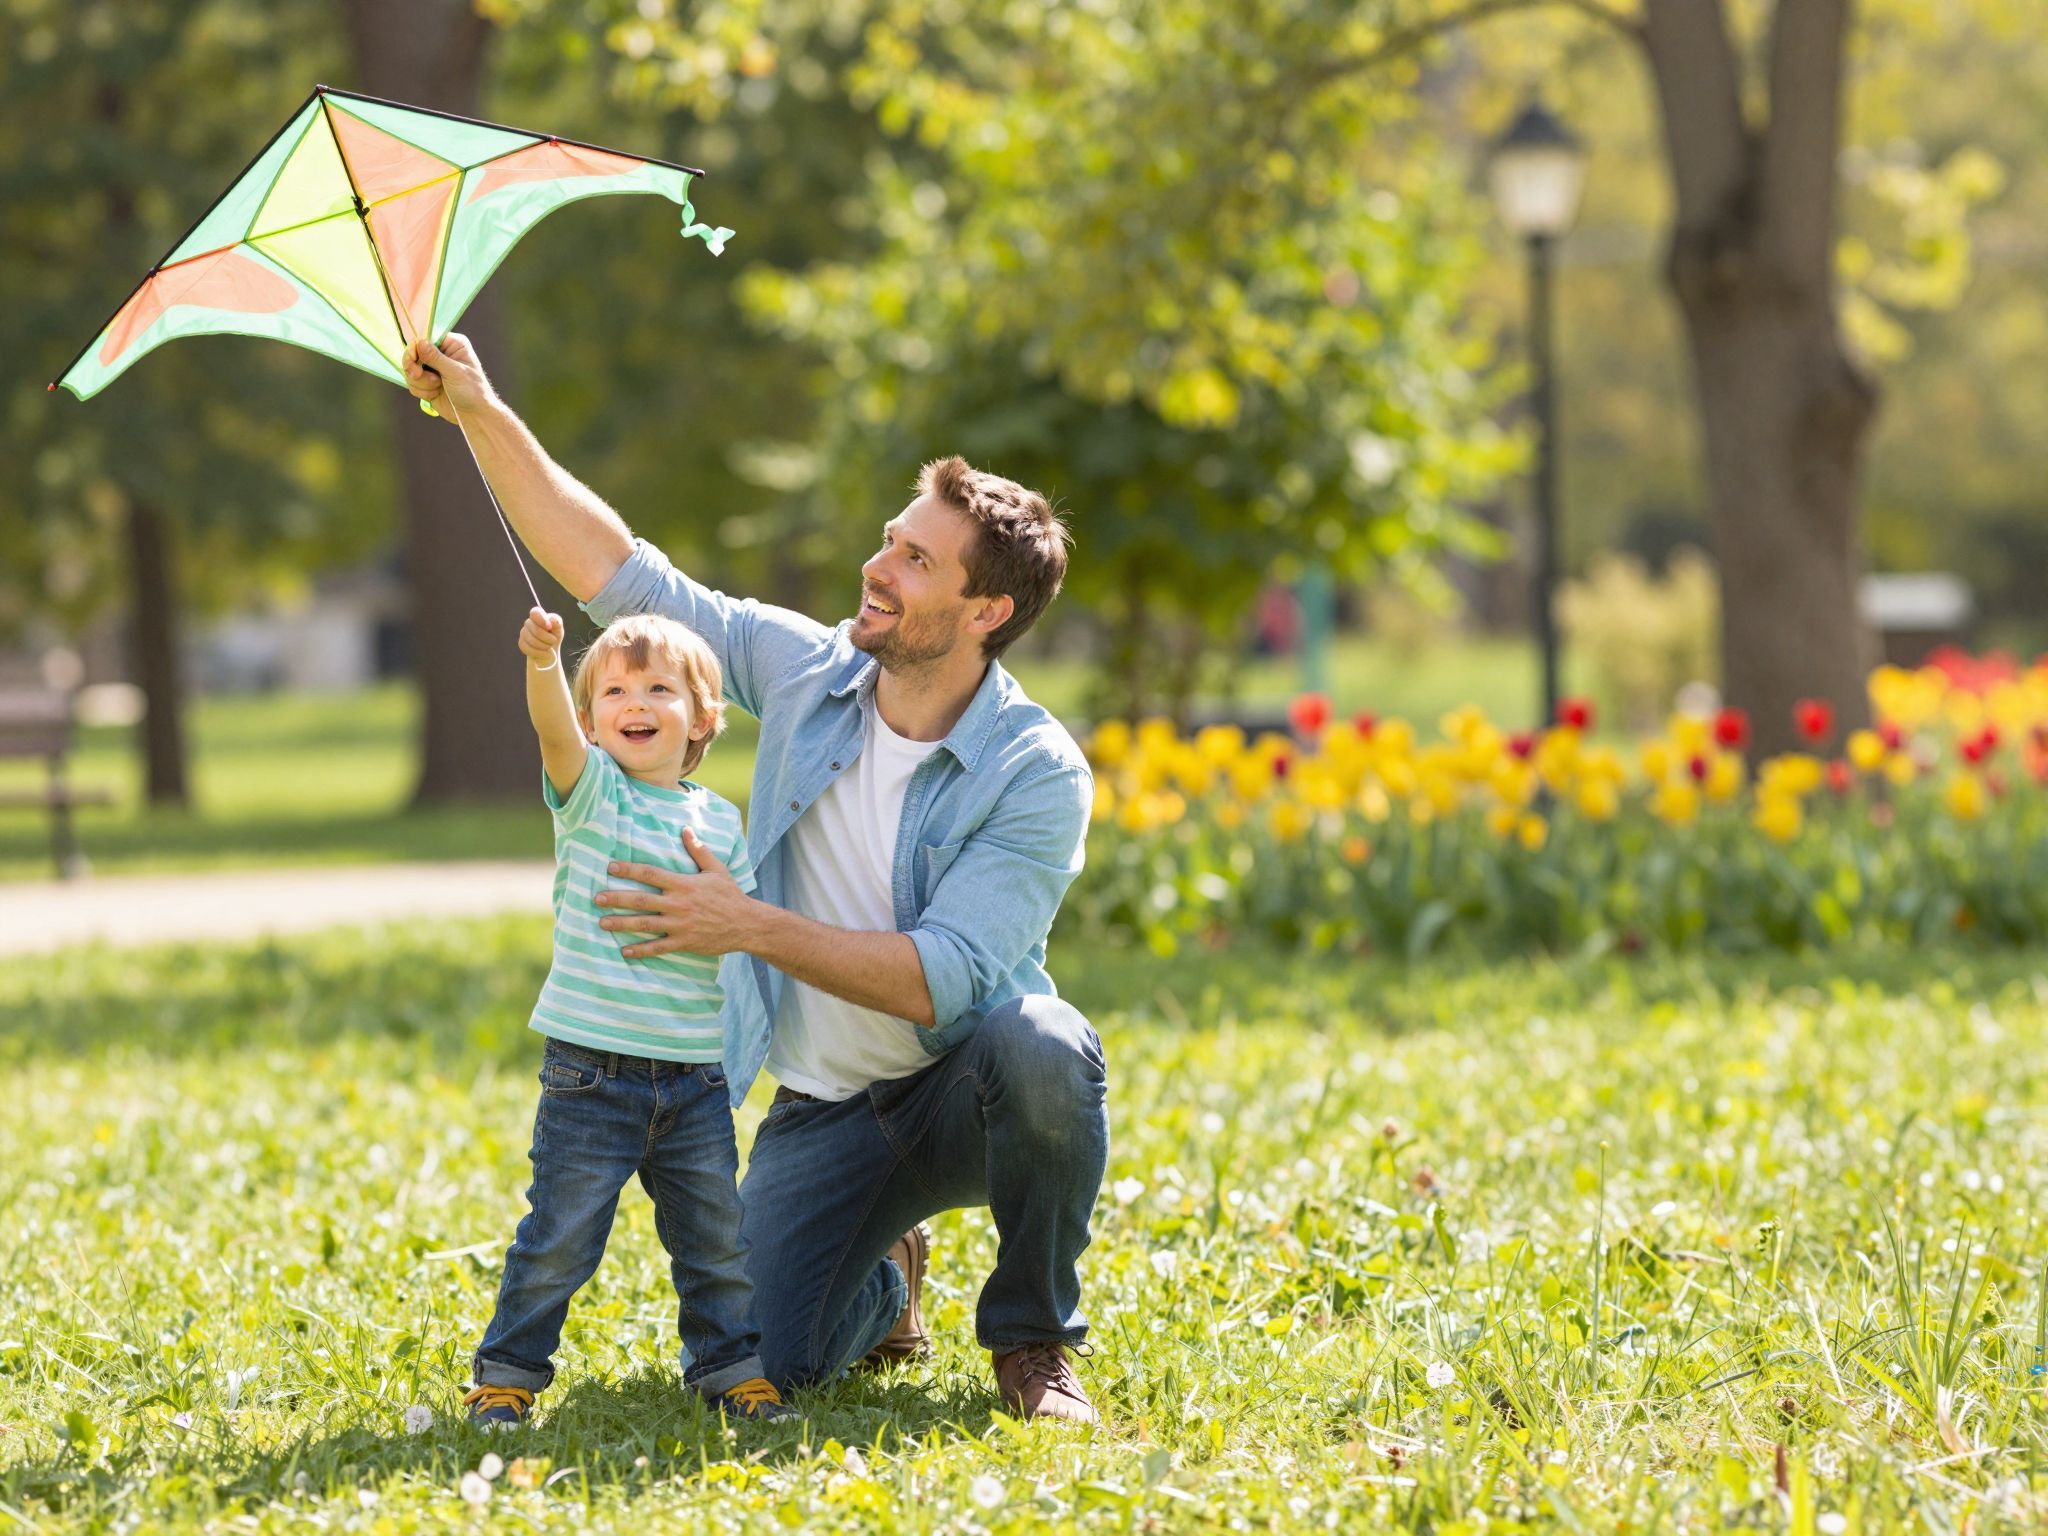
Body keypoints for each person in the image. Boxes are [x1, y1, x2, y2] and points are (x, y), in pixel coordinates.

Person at [407, 332, 1108, 1424]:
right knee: (774, 1354)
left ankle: (1031, 1344)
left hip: (965, 1083)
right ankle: (884, 1286)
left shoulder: (1034, 770)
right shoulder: (807, 669)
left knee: (1046, 1046)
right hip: (826, 1109)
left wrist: (746, 925)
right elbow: (615, 573)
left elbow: (946, 982)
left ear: (986, 614)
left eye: (916, 561)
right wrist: (482, 410)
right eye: (890, 540)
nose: (877, 566)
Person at [461, 607, 792, 1426]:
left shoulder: (720, 819)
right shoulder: (591, 791)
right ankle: (506, 1374)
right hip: (591, 1075)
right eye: (612, 690)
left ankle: (731, 1370)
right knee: (561, 1239)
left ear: (704, 717)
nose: (632, 702)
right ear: (592, 719)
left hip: (693, 1080)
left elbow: (739, 921)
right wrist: (546, 663)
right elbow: (551, 732)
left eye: (657, 688)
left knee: (717, 1242)